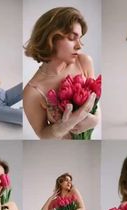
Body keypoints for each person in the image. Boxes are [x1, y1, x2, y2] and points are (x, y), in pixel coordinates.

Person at [24, 7, 100, 139]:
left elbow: (95, 104)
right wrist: (63, 127)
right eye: (72, 38)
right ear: (50, 38)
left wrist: (95, 120)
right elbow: (42, 134)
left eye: (80, 38)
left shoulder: (84, 62)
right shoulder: (32, 91)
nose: (79, 45)